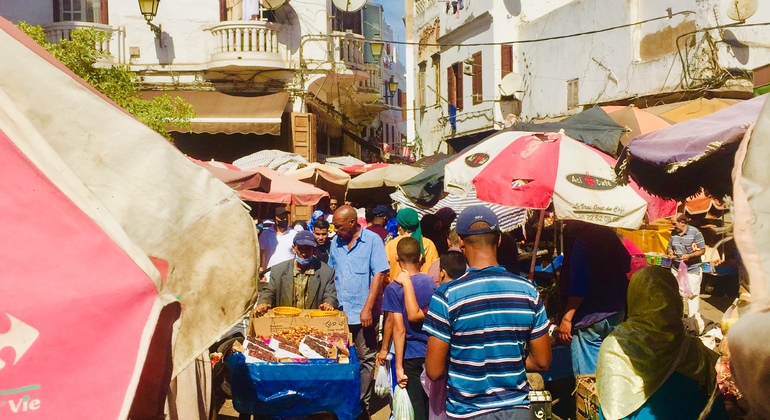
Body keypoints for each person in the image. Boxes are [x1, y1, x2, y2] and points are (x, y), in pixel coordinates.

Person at [423, 205, 552, 419]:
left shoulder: (446, 296)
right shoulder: (528, 292)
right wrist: (507, 362)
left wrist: (466, 364)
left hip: (467, 411)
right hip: (516, 409)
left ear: (461, 242)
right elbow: (542, 361)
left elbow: (434, 370)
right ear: (499, 239)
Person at [596, 267, 727, 420]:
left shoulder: (616, 346)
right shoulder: (694, 350)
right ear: (675, 299)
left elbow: (608, 408)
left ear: (634, 298)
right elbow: (714, 410)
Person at [328, 205, 390, 418]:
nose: (335, 230)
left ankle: (360, 402)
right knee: (338, 356)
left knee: (365, 358)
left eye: (338, 226)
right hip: (340, 312)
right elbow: (331, 273)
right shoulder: (335, 243)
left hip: (363, 312)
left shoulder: (372, 240)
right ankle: (340, 400)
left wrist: (368, 308)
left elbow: (379, 275)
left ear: (352, 222)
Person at [557, 221, 630, 376]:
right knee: (607, 364)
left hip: (590, 317)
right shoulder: (608, 234)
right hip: (615, 311)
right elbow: (626, 264)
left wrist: (566, 318)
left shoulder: (582, 241)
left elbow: (579, 285)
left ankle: (591, 400)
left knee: (588, 376)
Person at [379, 237, 435, 420]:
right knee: (432, 404)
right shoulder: (430, 283)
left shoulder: (394, 288)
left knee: (416, 406)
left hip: (410, 356)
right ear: (420, 257)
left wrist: (398, 366)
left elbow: (399, 329)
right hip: (432, 352)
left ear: (396, 257)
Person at [253, 231, 338, 315]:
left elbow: (330, 295)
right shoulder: (278, 270)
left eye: (308, 249)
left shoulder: (326, 272)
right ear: (294, 249)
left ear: (314, 250)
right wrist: (263, 302)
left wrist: (328, 303)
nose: (304, 253)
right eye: (300, 248)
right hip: (285, 321)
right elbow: (269, 291)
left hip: (313, 322)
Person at [667, 213, 706, 316]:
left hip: (692, 269)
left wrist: (690, 256)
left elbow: (702, 250)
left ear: (682, 222)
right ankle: (679, 318)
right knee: (678, 295)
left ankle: (693, 319)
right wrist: (670, 253)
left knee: (692, 295)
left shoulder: (695, 233)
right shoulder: (673, 233)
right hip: (676, 268)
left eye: (674, 224)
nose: (673, 226)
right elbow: (669, 246)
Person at [385, 208, 439, 282]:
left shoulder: (391, 245)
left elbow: (385, 273)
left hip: (397, 288)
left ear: (400, 226)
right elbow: (435, 270)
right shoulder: (428, 244)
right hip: (423, 288)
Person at [258, 206, 297, 280]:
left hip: (288, 277)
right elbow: (262, 255)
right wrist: (262, 272)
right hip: (270, 276)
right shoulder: (265, 235)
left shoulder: (294, 234)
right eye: (282, 218)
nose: (285, 220)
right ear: (274, 219)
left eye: (286, 217)